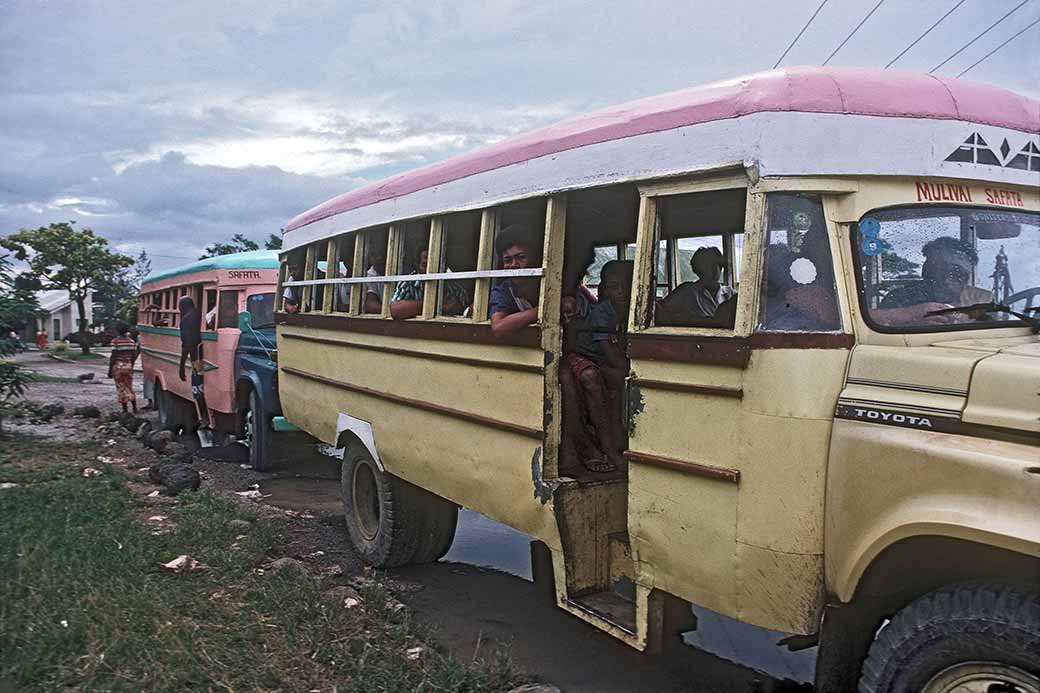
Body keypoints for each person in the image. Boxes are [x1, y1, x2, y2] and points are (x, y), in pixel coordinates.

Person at [559, 260, 633, 475]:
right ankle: (610, 442)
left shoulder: (623, 307)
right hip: (587, 355)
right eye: (614, 287)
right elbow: (607, 353)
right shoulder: (602, 311)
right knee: (616, 379)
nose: (621, 292)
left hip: (602, 356)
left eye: (625, 286)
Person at [875, 236, 990, 325]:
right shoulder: (899, 298)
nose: (946, 279)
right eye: (939, 269)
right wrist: (912, 324)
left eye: (957, 273)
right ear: (926, 270)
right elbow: (878, 336)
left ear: (967, 277)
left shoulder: (983, 301)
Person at [655, 247, 736, 327]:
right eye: (707, 266)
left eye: (716, 266)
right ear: (698, 269)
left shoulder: (730, 293)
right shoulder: (686, 291)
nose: (712, 270)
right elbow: (660, 309)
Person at [489, 225, 542, 338]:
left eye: (521, 257)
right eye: (508, 260)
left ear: (534, 259)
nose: (513, 265)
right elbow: (498, 327)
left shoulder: (549, 283)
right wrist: (548, 309)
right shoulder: (504, 290)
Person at [389, 247, 469, 320]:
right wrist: (438, 306)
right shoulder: (408, 283)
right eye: (425, 265)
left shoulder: (454, 287)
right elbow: (396, 310)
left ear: (444, 266)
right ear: (417, 266)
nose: (430, 270)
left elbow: (464, 310)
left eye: (435, 265)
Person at [177, 296, 211, 433]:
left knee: (197, 388)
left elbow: (187, 345)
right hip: (208, 356)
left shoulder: (186, 320)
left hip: (197, 359)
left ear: (183, 307)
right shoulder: (201, 314)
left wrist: (181, 367)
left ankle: (205, 417)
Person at [107, 322, 139, 413]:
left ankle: (125, 410)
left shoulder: (115, 341)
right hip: (128, 366)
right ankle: (134, 407)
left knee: (121, 388)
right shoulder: (131, 341)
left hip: (118, 366)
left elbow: (113, 356)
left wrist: (110, 370)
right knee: (129, 386)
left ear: (117, 331)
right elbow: (134, 355)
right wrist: (131, 365)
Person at [363, 246, 387, 314]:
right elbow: (370, 304)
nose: (379, 258)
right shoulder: (370, 275)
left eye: (382, 254)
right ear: (369, 259)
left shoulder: (401, 270)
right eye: (374, 255)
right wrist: (395, 311)